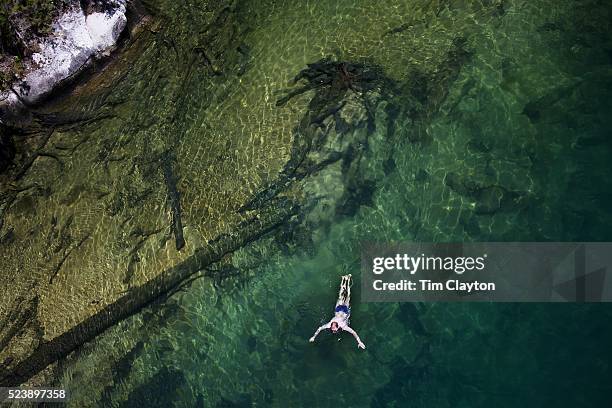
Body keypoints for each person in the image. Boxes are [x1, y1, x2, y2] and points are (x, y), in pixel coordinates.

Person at [309, 274, 366, 349]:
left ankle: (344, 280)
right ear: (337, 327)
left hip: (340, 310)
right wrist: (359, 342)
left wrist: (314, 336)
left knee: (342, 296)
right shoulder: (340, 325)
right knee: (346, 296)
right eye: (333, 328)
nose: (332, 327)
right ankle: (347, 280)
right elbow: (353, 332)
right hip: (343, 310)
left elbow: (320, 328)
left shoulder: (333, 325)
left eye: (332, 328)